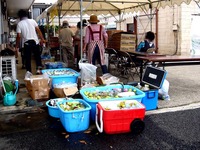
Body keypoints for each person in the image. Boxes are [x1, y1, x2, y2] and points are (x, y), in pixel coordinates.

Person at [15, 9, 45, 74]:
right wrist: (42, 39)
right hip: (35, 42)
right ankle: (38, 70)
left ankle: (29, 73)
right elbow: (38, 30)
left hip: (26, 43)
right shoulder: (33, 21)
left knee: (27, 59)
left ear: (20, 16)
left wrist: (16, 46)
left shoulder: (19, 24)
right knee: (37, 57)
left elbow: (18, 36)